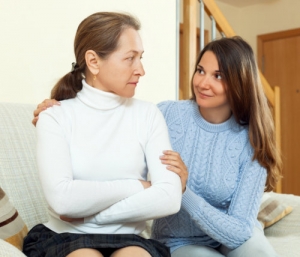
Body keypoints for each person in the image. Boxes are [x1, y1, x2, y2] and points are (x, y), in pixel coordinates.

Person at [32, 36, 282, 256]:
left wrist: (184, 191)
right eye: (200, 70)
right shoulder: (167, 114)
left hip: (232, 236)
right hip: (179, 239)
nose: (203, 83)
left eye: (218, 76)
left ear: (240, 83)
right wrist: (57, 109)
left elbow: (239, 232)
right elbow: (112, 120)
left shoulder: (252, 139)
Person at [23, 12, 185, 257]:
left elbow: (169, 197)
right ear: (94, 61)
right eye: (130, 58)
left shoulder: (149, 114)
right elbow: (63, 201)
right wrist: (139, 186)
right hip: (65, 237)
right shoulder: (54, 116)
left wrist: (91, 215)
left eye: (140, 58)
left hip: (130, 239)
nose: (141, 70)